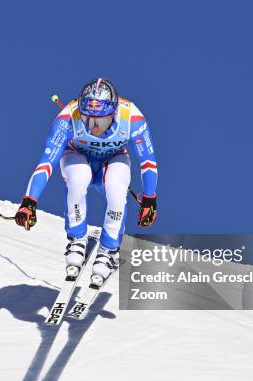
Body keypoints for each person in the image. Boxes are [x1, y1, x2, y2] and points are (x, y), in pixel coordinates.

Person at [14, 78, 158, 286]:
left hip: (112, 160)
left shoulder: (132, 117)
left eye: (101, 121)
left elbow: (148, 161)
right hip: (78, 158)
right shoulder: (68, 118)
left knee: (117, 186)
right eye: (89, 121)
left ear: (113, 113)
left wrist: (150, 198)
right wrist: (29, 201)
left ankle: (109, 249)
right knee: (79, 176)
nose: (95, 128)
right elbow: (47, 163)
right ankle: (77, 238)